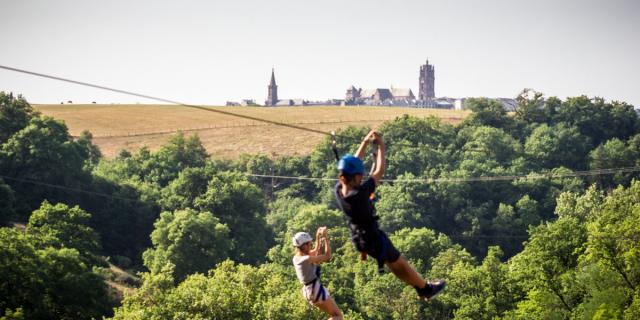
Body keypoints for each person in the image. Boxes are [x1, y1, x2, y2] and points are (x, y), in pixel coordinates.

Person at [333, 130, 445, 301]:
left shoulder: (339, 190)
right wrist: (382, 146)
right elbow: (379, 171)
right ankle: (425, 288)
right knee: (400, 263)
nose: (362, 177)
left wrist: (365, 141)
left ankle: (421, 287)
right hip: (372, 238)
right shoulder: (359, 195)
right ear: (353, 177)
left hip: (361, 239)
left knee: (394, 264)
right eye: (359, 176)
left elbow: (355, 162)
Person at [292, 227, 343, 320]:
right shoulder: (306, 259)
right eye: (309, 244)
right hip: (315, 290)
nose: (311, 246)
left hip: (309, 291)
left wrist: (318, 237)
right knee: (338, 316)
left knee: (334, 316)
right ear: (303, 246)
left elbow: (315, 251)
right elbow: (328, 256)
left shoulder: (296, 258)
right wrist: (325, 237)